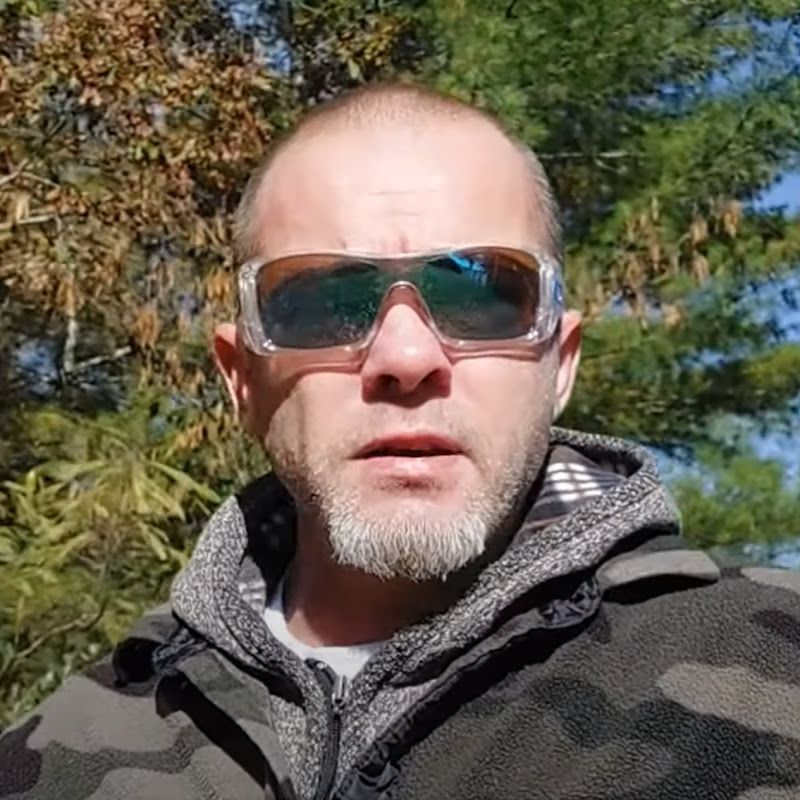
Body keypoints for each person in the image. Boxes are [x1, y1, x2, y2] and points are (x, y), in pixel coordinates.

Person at [3, 81, 800, 800]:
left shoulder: (776, 670)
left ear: (560, 363)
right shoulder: (59, 758)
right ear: (241, 378)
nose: (407, 359)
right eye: (324, 302)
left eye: (481, 295)